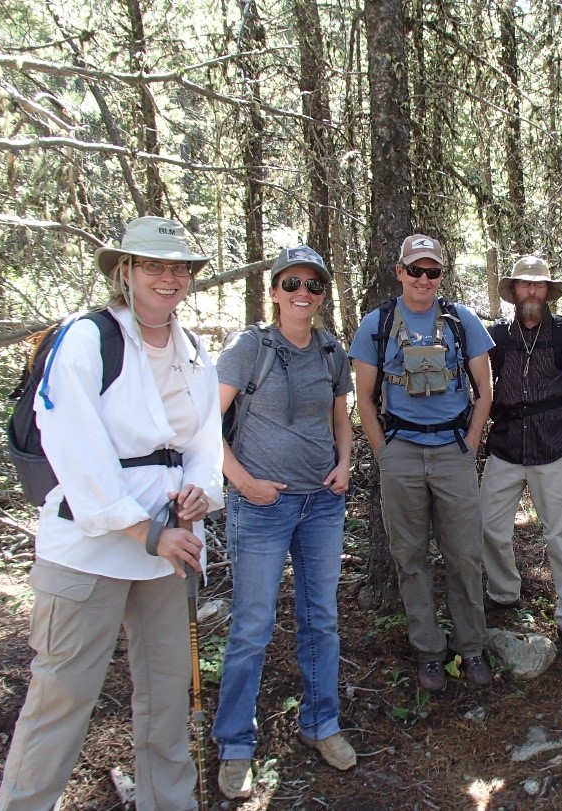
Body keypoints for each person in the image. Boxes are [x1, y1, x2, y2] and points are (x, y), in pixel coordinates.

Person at [0, 217, 224, 811]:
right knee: (61, 699)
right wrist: (142, 529)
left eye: (179, 268)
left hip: (167, 551)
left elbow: (203, 437)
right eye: (154, 266)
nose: (169, 279)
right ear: (125, 271)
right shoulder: (85, 338)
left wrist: (200, 492)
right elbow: (71, 441)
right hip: (90, 549)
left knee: (168, 698)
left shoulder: (193, 349)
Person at [211, 246, 356, 800]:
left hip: (320, 502)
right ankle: (235, 745)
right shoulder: (250, 348)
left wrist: (345, 464)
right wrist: (243, 483)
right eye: (292, 283)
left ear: (321, 296)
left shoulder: (328, 349)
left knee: (320, 618)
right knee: (252, 626)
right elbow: (205, 423)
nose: (303, 293)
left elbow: (338, 416)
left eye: (314, 285)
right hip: (261, 507)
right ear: (274, 291)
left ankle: (322, 724)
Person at [350, 234, 494, 692]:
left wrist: (471, 441)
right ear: (400, 272)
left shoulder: (461, 320)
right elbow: (364, 399)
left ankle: (472, 647)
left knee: (465, 555)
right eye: (416, 270)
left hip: (453, 451)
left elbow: (485, 391)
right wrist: (384, 452)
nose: (424, 279)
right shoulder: (377, 323)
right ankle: (429, 650)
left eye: (432, 271)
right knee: (409, 556)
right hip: (402, 454)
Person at [481, 256, 562, 660]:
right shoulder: (496, 336)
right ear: (513, 290)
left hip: (556, 445)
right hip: (507, 445)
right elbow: (478, 388)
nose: (532, 291)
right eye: (524, 285)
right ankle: (503, 591)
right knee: (489, 526)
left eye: (539, 285)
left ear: (548, 291)